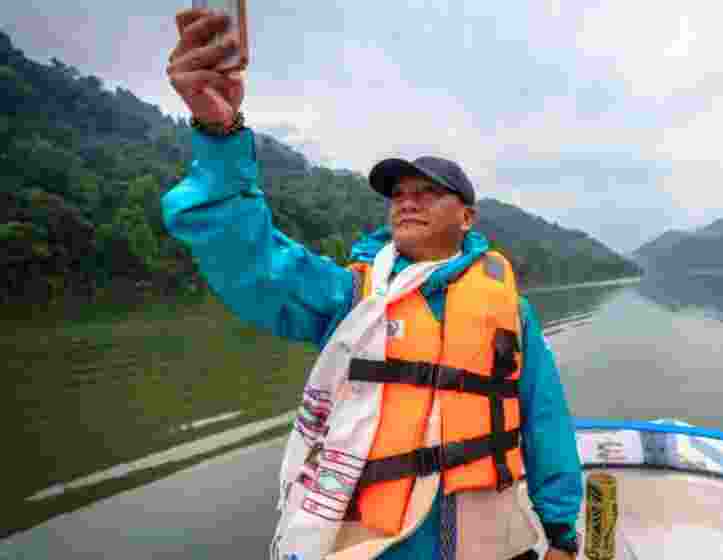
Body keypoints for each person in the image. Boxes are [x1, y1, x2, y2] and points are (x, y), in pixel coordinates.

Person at [162, 8, 581, 560]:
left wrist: (561, 531)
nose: (406, 200)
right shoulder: (353, 297)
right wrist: (220, 135)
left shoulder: (511, 310)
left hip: (487, 539)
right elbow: (252, 259)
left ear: (469, 217)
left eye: (427, 191)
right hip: (379, 543)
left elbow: (545, 419)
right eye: (398, 192)